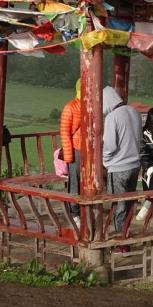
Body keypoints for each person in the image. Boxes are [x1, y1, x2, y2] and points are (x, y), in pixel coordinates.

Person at [101, 86, 142, 244]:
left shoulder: (112, 117)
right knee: (129, 203)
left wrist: (105, 161)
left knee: (119, 206)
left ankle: (121, 242)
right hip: (134, 165)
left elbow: (110, 145)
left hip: (118, 168)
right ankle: (127, 233)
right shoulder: (134, 111)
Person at [58, 80, 84, 226]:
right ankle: (74, 213)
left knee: (86, 182)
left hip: (88, 150)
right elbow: (65, 133)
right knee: (75, 183)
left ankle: (83, 210)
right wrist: (69, 156)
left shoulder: (89, 105)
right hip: (76, 149)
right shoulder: (71, 107)